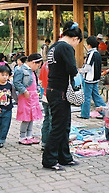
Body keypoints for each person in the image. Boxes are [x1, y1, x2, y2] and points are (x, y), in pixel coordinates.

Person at [42, 21, 82, 171]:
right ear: (75, 38)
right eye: (77, 42)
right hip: (60, 92)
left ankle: (64, 157)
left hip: (53, 90)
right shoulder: (66, 47)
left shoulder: (54, 46)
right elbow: (72, 69)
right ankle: (49, 160)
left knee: (64, 126)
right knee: (59, 127)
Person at [13, 53, 43, 145]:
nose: (37, 68)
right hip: (25, 97)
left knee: (32, 117)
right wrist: (24, 91)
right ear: (33, 62)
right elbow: (16, 82)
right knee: (26, 118)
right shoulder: (21, 70)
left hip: (33, 97)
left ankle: (29, 135)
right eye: (38, 65)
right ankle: (22, 136)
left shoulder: (31, 71)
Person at [0, 65, 17, 148]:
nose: (5, 77)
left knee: (5, 125)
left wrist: (19, 102)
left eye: (6, 75)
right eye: (2, 75)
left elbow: (15, 95)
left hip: (8, 109)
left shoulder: (10, 86)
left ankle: (1, 140)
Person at [79, 36, 106, 119]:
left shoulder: (91, 54)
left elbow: (88, 67)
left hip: (89, 79)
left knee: (86, 97)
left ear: (89, 45)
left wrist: (81, 71)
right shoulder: (97, 53)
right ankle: (105, 112)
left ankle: (84, 114)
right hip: (95, 78)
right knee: (96, 96)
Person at [39, 60, 51, 151]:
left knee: (46, 119)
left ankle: (44, 142)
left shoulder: (45, 64)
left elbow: (40, 81)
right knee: (53, 121)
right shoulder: (57, 64)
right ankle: (52, 143)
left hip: (45, 95)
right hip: (53, 97)